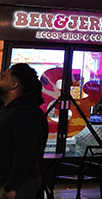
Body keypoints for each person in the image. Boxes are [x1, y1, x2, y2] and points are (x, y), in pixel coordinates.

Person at [0, 63, 47, 199]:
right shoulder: (11, 110)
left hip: (16, 186)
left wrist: (12, 186)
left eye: (3, 77)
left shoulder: (23, 112)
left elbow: (26, 151)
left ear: (14, 84)